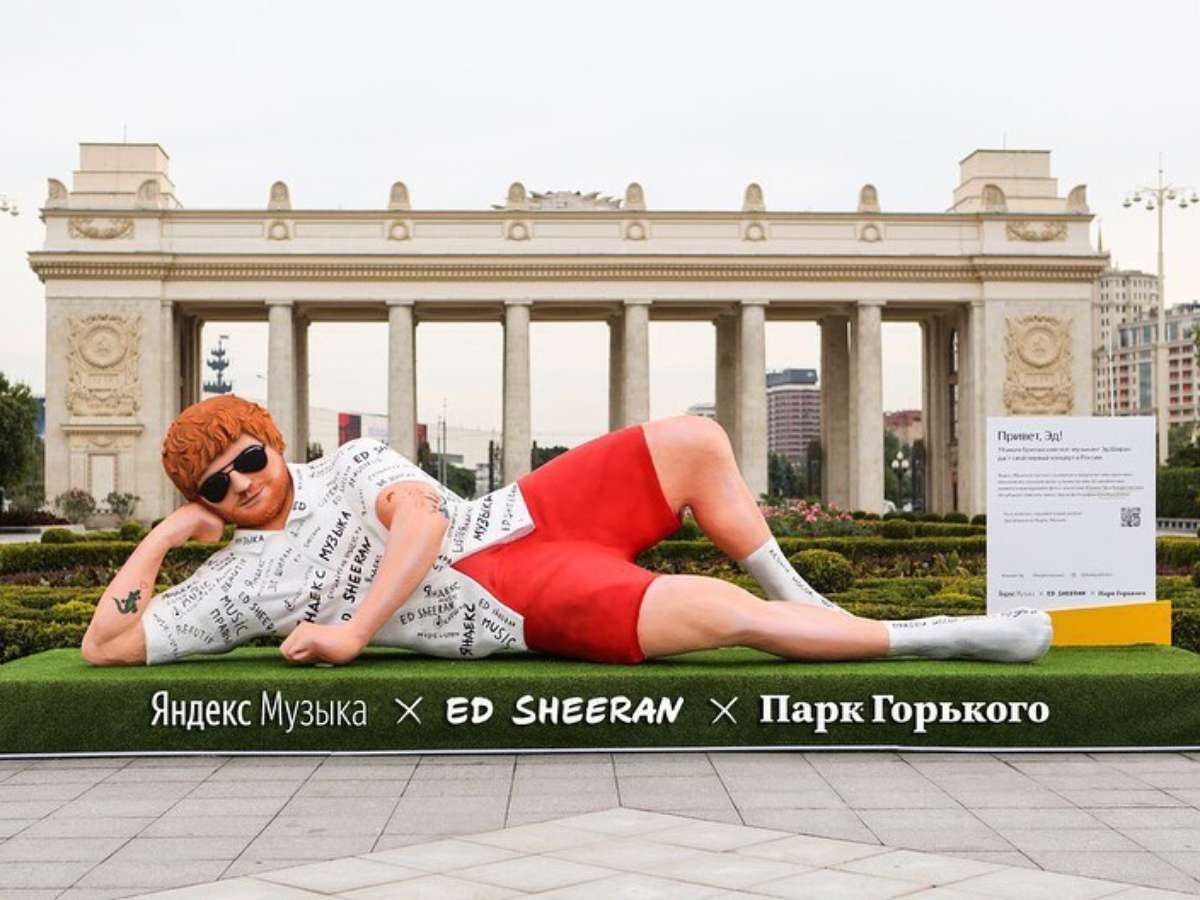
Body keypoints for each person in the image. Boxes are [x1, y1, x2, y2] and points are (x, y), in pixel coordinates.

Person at [80, 395, 1052, 667]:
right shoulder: (236, 581)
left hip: (521, 516)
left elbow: (420, 522)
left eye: (249, 457)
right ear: (205, 500)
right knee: (719, 615)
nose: (243, 483)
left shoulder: (354, 461)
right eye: (217, 484)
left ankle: (812, 601)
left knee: (694, 440)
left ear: (274, 443)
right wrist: (163, 541)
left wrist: (353, 631)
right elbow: (104, 648)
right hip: (511, 604)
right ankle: (942, 636)